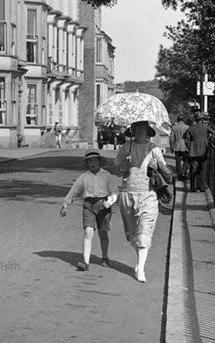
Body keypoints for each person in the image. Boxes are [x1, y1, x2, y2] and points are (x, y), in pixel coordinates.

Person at [114, 120, 172, 283]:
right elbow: (117, 171)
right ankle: (140, 262)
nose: (140, 131)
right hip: (128, 194)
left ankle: (141, 268)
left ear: (147, 130)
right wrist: (125, 162)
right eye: (137, 128)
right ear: (132, 130)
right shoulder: (126, 148)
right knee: (134, 234)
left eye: (143, 128)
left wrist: (157, 165)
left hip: (148, 195)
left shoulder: (154, 149)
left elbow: (167, 174)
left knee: (145, 231)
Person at [60, 150, 119, 271]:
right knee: (88, 232)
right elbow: (74, 191)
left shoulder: (106, 175)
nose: (93, 163)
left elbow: (115, 191)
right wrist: (65, 205)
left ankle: (105, 257)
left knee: (103, 233)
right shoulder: (84, 177)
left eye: (95, 160)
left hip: (103, 205)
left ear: (99, 162)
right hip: (88, 205)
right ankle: (85, 262)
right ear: (87, 163)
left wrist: (110, 201)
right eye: (90, 161)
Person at [184, 111, 215, 192]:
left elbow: (186, 140)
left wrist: (190, 147)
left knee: (193, 169)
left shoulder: (190, 128)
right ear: (201, 119)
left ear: (195, 120)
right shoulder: (205, 127)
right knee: (201, 169)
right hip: (203, 151)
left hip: (193, 152)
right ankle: (201, 186)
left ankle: (193, 187)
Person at [169, 114, 189, 180]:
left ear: (178, 119)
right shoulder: (187, 127)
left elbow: (171, 138)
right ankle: (184, 172)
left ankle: (179, 175)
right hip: (185, 146)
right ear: (183, 120)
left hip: (177, 146)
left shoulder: (174, 127)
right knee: (186, 161)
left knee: (178, 162)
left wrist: (172, 146)